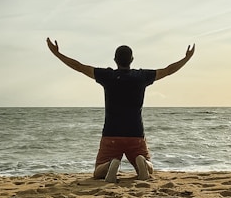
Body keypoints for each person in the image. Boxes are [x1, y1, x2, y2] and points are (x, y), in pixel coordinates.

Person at [46, 38, 195, 181]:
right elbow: (168, 70)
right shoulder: (141, 76)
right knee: (149, 170)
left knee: (98, 171)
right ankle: (142, 161)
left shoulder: (107, 76)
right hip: (135, 134)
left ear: (115, 60)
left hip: (111, 134)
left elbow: (79, 67)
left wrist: (57, 53)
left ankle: (111, 165)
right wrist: (186, 58)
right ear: (131, 60)